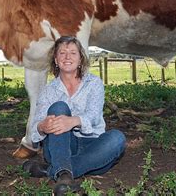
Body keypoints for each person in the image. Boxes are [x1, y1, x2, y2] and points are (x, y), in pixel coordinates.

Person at [23, 36, 126, 195]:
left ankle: (56, 172)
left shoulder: (94, 83)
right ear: (56, 60)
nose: (67, 57)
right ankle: (63, 174)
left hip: (94, 146)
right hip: (61, 147)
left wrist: (73, 121)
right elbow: (37, 126)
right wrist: (42, 126)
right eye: (62, 53)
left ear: (80, 59)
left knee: (117, 139)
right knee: (58, 107)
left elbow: (93, 115)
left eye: (73, 53)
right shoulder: (48, 90)